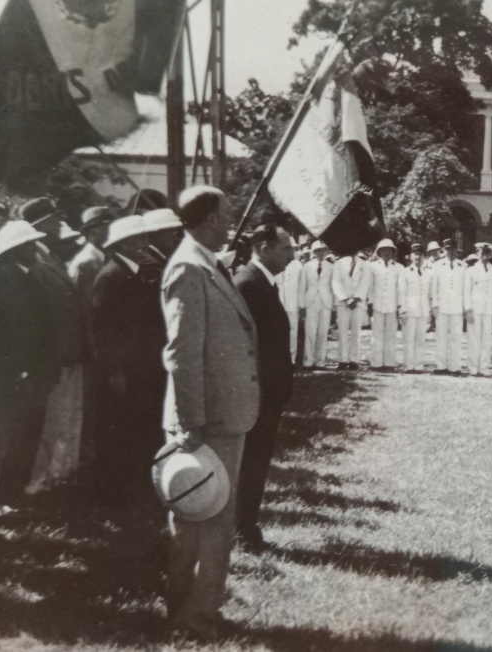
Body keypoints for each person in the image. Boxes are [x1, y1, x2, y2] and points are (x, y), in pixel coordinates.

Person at [161, 186, 260, 640]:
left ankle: (186, 607)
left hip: (218, 414)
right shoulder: (188, 266)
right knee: (210, 519)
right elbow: (182, 352)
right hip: (208, 419)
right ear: (207, 221)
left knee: (199, 517)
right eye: (225, 214)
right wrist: (191, 422)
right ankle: (196, 616)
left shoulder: (205, 262)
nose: (230, 221)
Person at [89, 215, 167, 503]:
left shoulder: (133, 273)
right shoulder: (111, 276)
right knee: (117, 432)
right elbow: (102, 330)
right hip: (123, 371)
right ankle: (110, 494)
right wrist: (114, 372)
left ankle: (129, 488)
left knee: (134, 429)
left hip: (140, 368)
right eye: (137, 239)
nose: (144, 244)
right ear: (122, 244)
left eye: (144, 238)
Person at [0, 221, 59, 517]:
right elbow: (6, 336)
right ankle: (2, 497)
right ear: (14, 251)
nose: (34, 249)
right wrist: (20, 373)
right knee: (13, 440)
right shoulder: (3, 282)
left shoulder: (28, 278)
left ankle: (13, 495)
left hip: (36, 376)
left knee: (27, 437)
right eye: (28, 245)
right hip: (20, 378)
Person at [233, 224, 295, 549]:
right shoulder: (248, 284)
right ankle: (242, 530)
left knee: (256, 462)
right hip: (256, 394)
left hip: (267, 393)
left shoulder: (260, 283)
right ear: (264, 247)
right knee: (251, 463)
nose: (292, 255)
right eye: (286, 249)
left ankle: (245, 526)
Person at [20, 199, 87, 494]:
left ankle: (57, 474)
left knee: (64, 417)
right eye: (53, 220)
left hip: (69, 353)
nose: (59, 223)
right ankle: (42, 481)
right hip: (56, 355)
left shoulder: (50, 258)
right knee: (52, 419)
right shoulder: (37, 262)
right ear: (39, 226)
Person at [430, 239, 467, 374]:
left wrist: (464, 307)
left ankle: (455, 367)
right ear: (444, 250)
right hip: (442, 307)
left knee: (456, 338)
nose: (450, 252)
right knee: (441, 337)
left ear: (457, 250)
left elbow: (465, 289)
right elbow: (434, 286)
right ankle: (441, 366)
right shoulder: (437, 265)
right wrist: (434, 305)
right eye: (448, 249)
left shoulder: (463, 266)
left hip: (457, 307)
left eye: (453, 249)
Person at [464, 243, 492, 376]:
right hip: (474, 309)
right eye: (482, 253)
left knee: (486, 339)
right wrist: (467, 309)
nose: (484, 256)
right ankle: (473, 367)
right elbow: (466, 292)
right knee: (473, 339)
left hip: (489, 309)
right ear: (478, 254)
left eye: (487, 253)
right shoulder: (470, 271)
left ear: (491, 254)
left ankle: (484, 367)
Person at [301, 241, 336, 369]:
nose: (320, 253)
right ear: (314, 253)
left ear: (326, 251)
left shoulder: (331, 267)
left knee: (323, 331)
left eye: (322, 250)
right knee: (310, 331)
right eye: (317, 251)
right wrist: (302, 305)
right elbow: (302, 286)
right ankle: (308, 361)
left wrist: (334, 305)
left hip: (325, 301)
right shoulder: (307, 266)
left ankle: (320, 361)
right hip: (311, 301)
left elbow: (333, 286)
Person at [369, 239, 402, 370]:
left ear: (393, 252)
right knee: (377, 335)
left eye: (389, 250)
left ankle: (389, 363)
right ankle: (376, 363)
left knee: (391, 335)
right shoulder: (372, 266)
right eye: (384, 249)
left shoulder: (399, 268)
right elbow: (370, 286)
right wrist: (370, 304)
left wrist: (400, 306)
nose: (386, 252)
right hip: (377, 305)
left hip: (392, 306)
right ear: (379, 252)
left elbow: (401, 288)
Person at [399, 243, 430, 372]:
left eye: (421, 255)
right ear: (411, 256)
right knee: (408, 339)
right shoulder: (405, 272)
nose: (418, 257)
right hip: (410, 310)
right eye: (416, 254)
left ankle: (418, 365)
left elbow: (429, 293)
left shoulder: (428, 273)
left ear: (424, 257)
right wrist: (403, 310)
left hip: (423, 311)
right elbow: (401, 292)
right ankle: (408, 365)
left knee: (420, 339)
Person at [275, 245, 304, 365]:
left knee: (293, 330)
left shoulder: (298, 265)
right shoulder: (278, 262)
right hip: (280, 302)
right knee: (279, 330)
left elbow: (302, 287)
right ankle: (280, 358)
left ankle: (291, 359)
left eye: (292, 249)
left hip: (293, 302)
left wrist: (301, 305)